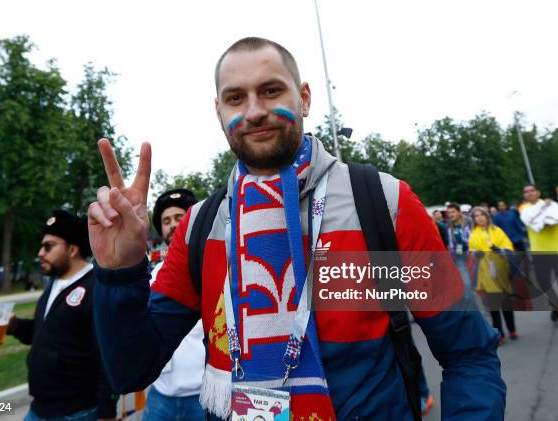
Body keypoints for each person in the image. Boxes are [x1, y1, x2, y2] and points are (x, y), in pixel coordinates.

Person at [88, 37, 505, 420]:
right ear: (219, 112)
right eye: (236, 98)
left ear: (304, 98)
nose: (254, 111)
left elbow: (467, 353)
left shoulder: (382, 203)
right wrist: (120, 272)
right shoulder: (201, 227)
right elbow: (131, 370)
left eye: (271, 91)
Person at [0, 210, 117, 421]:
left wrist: (106, 413)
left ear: (72, 249)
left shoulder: (96, 289)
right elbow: (46, 334)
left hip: (77, 413)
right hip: (39, 409)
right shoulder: (54, 284)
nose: (40, 253)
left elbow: (107, 357)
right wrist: (14, 326)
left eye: (48, 246)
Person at [143, 188, 205, 420]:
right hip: (161, 393)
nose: (172, 224)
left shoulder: (214, 267)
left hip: (203, 393)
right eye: (166, 220)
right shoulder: (152, 275)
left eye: (180, 217)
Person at [469, 206, 518, 344]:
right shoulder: (474, 234)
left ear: (487, 216)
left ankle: (512, 329)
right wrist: (477, 254)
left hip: (501, 270)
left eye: (482, 215)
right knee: (493, 306)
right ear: (474, 220)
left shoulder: (497, 231)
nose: (479, 218)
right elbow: (472, 251)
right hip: (486, 272)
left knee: (506, 303)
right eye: (476, 216)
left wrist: (500, 250)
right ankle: (499, 334)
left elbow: (509, 248)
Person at [520, 184, 558, 321]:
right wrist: (543, 213)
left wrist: (542, 218)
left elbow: (551, 222)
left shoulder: (552, 205)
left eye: (532, 190)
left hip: (556, 249)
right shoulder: (524, 210)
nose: (529, 193)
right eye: (526, 192)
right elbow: (536, 226)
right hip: (538, 252)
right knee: (543, 283)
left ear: (538, 192)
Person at [446, 203, 474, 292]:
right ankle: (469, 299)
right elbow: (450, 241)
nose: (450, 215)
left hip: (472, 253)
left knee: (476, 278)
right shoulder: (449, 224)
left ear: (459, 212)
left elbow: (474, 235)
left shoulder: (468, 221)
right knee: (466, 282)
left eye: (453, 212)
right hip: (459, 255)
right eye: (449, 213)